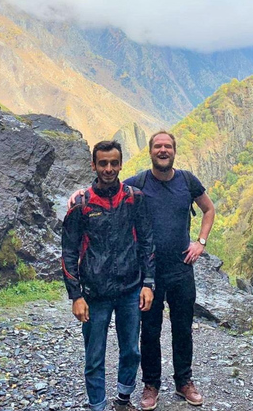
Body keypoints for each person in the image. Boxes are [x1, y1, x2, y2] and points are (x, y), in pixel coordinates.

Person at [68, 130, 216, 409]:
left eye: (168, 146)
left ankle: (184, 381)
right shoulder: (139, 182)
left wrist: (201, 242)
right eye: (158, 146)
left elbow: (208, 209)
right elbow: (108, 186)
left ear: (174, 151)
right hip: (148, 272)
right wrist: (80, 193)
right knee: (149, 330)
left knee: (183, 328)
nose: (163, 151)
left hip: (182, 269)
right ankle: (151, 385)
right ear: (150, 152)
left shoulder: (187, 180)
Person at [62, 140, 156, 411]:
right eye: (103, 163)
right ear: (94, 165)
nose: (109, 168)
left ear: (120, 164)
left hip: (129, 288)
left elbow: (147, 242)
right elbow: (68, 251)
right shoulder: (81, 203)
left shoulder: (134, 198)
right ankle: (98, 406)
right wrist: (75, 295)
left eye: (114, 163)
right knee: (94, 357)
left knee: (131, 351)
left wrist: (148, 283)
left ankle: (124, 398)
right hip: (94, 293)